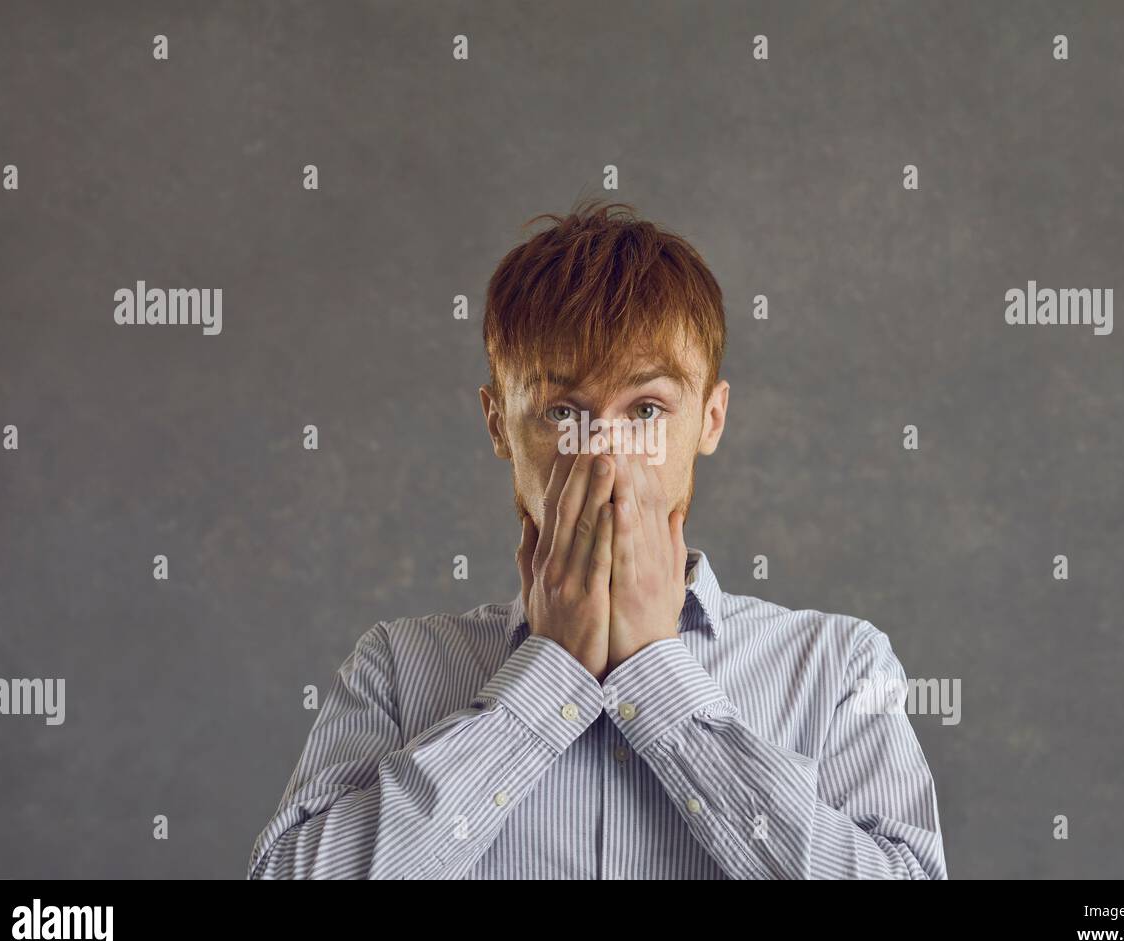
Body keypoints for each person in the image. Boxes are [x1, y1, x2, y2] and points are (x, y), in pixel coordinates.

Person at [247, 199, 947, 879]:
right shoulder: (397, 670)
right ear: (498, 425)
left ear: (711, 418)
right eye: (562, 411)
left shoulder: (839, 668)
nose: (604, 454)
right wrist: (550, 673)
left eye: (646, 408)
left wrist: (653, 671)